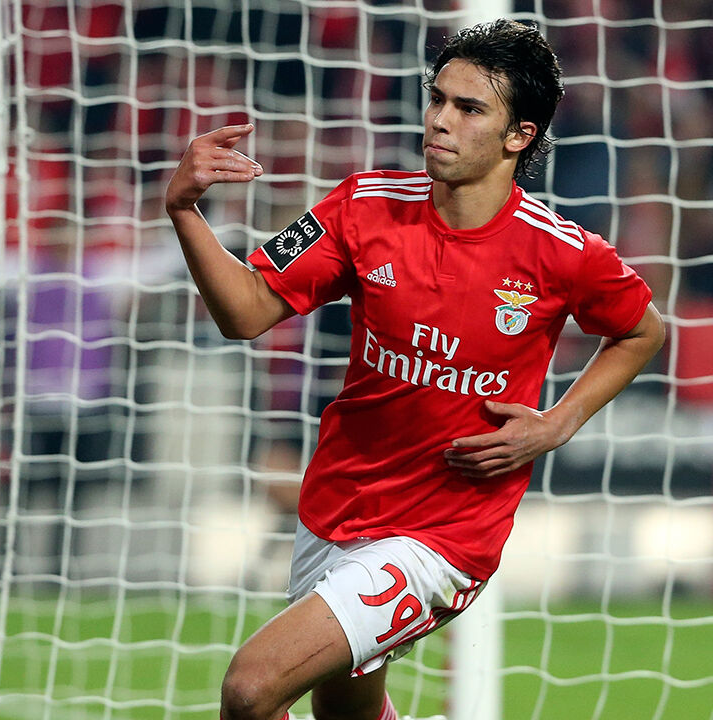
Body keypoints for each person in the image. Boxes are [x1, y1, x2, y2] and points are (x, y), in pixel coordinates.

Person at [164, 19, 665, 720]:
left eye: (469, 108)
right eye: (438, 99)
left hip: (444, 535)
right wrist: (184, 210)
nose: (439, 120)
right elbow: (245, 312)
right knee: (344, 712)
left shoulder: (563, 252)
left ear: (519, 136)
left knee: (252, 688)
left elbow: (642, 330)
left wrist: (558, 424)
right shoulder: (361, 205)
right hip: (336, 505)